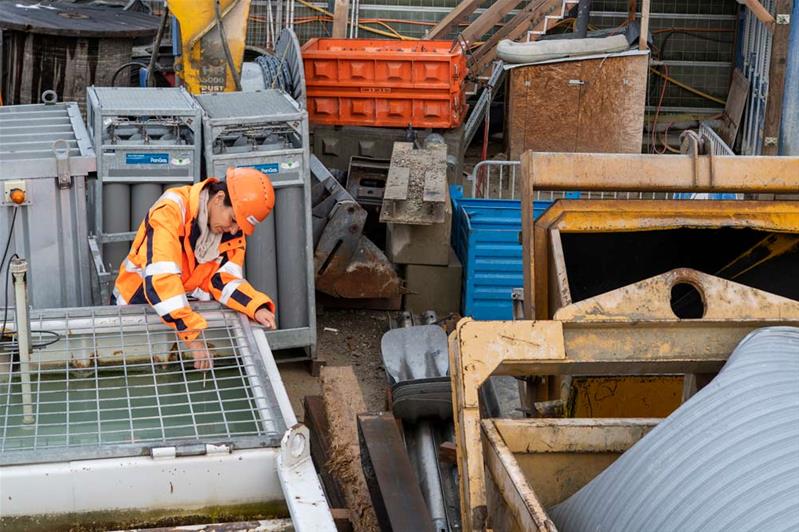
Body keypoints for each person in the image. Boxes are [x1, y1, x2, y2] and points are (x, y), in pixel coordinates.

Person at [112, 167, 277, 370]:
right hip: (136, 309)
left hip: (181, 318)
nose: (234, 230)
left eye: (240, 226)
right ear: (218, 198)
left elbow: (224, 280)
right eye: (233, 219)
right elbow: (161, 280)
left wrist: (255, 306)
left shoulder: (232, 235)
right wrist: (193, 336)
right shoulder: (171, 210)